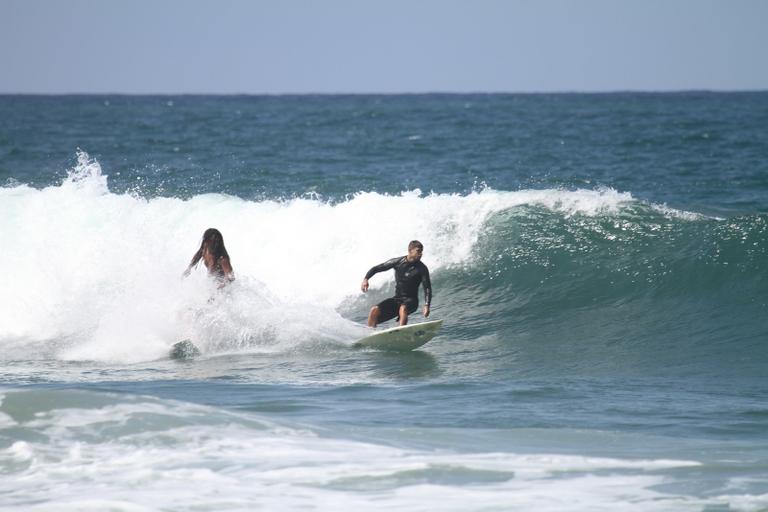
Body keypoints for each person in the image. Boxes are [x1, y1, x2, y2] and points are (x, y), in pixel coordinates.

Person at [361, 240, 432, 327]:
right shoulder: (398, 262)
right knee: (374, 310)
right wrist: (366, 279)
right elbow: (377, 268)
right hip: (397, 299)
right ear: (410, 250)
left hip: (412, 301)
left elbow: (427, 288)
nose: (420, 253)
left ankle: (400, 331)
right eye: (418, 251)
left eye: (421, 251)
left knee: (403, 308)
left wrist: (427, 305)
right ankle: (369, 334)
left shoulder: (422, 269)